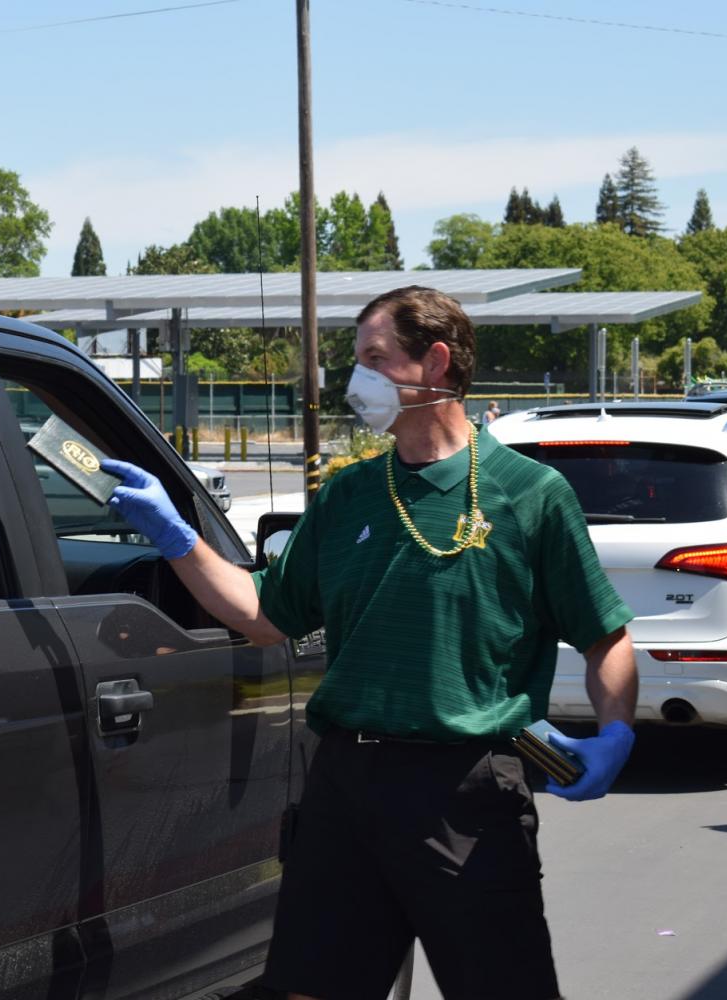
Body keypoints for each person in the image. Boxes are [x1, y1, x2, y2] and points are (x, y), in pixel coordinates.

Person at [101, 285, 637, 1000]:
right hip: (344, 785)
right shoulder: (348, 495)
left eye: (373, 358)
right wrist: (177, 539)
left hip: (465, 793)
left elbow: (604, 636)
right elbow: (263, 614)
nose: (355, 378)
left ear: (435, 362)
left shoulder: (528, 494)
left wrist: (615, 735)